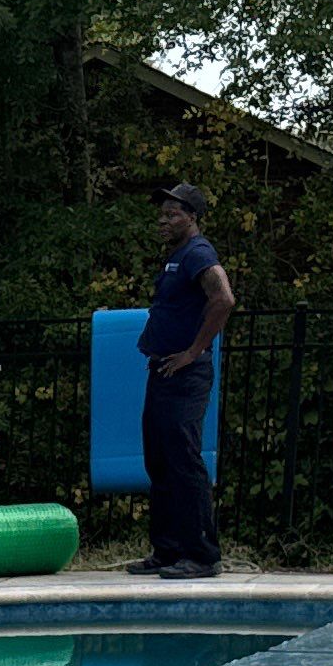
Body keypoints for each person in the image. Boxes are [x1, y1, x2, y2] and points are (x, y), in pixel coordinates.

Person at [135, 183, 234, 579]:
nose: (164, 221)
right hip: (162, 369)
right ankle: (168, 550)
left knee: (183, 460)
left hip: (185, 373)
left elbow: (223, 298)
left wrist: (193, 352)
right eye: (161, 215)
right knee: (158, 460)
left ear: (191, 216)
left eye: (172, 214)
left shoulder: (198, 253)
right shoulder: (176, 256)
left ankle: (202, 555)